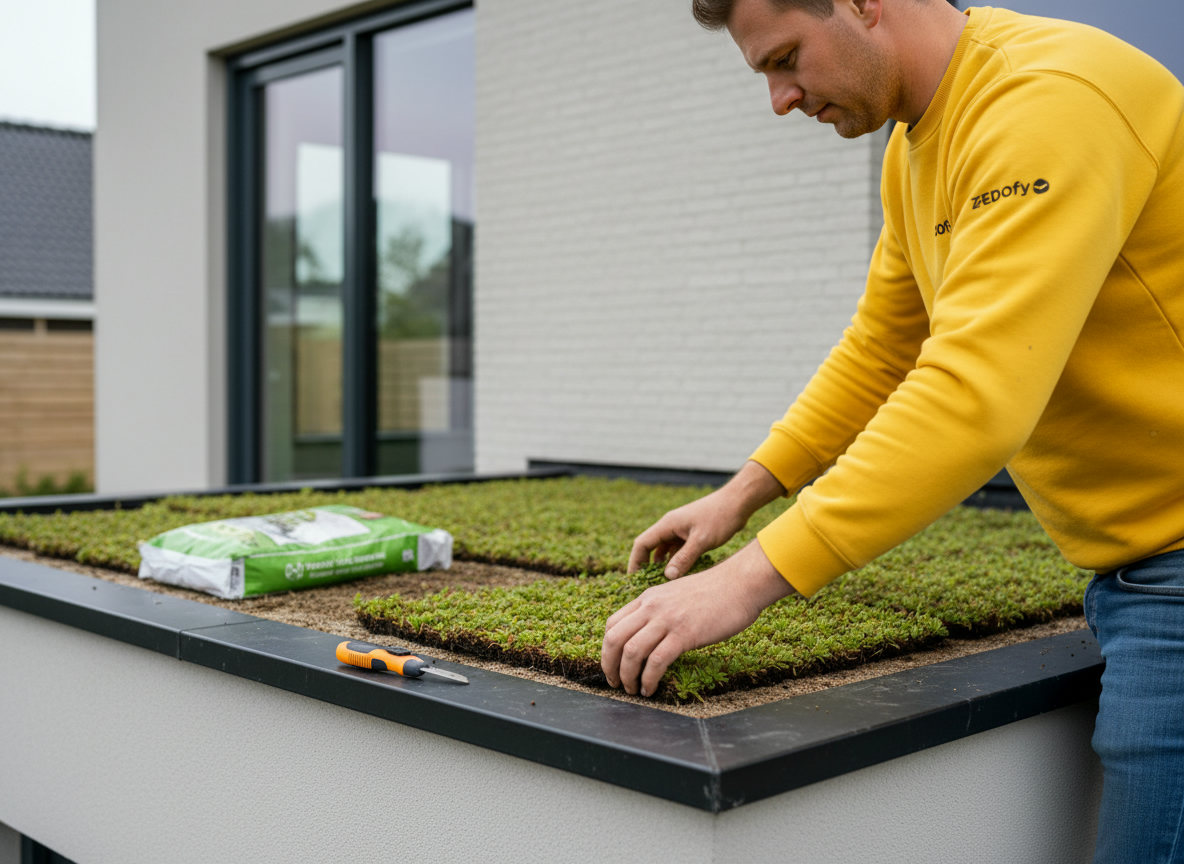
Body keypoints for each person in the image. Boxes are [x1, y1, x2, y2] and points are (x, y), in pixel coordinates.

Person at [599, 0, 1184, 860]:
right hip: (1133, 568)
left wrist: (750, 580)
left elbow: (973, 395)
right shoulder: (916, 147)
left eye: (786, 58)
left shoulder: (1047, 99)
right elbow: (882, 350)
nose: (780, 98)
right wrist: (747, 491)